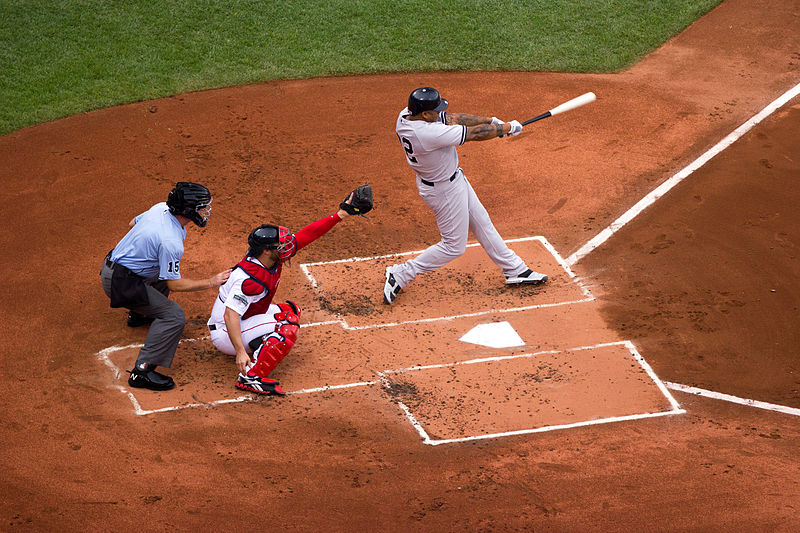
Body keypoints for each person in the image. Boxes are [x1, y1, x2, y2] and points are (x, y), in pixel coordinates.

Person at [384, 87, 548, 305]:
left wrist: (493, 120)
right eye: (435, 110)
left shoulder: (406, 115)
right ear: (425, 115)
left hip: (452, 180)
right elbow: (475, 134)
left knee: (482, 222)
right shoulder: (428, 133)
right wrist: (506, 129)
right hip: (443, 191)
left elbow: (452, 118)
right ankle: (402, 273)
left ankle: (515, 270)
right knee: (453, 246)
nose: (439, 112)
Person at [207, 191, 367, 396]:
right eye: (281, 245)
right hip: (224, 332)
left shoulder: (271, 257)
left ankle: (254, 349)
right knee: (287, 327)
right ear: (266, 250)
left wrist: (340, 215)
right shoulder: (249, 280)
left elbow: (307, 235)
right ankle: (250, 376)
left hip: (243, 318)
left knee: (290, 311)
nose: (287, 247)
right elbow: (231, 315)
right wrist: (238, 350)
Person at [100, 182, 231, 391]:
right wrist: (211, 282)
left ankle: (140, 314)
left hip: (114, 265)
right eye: (200, 207)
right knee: (174, 316)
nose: (205, 211)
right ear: (187, 210)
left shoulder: (160, 208)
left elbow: (132, 223)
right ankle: (142, 371)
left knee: (159, 269)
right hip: (121, 281)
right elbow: (174, 284)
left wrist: (143, 253)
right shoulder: (170, 241)